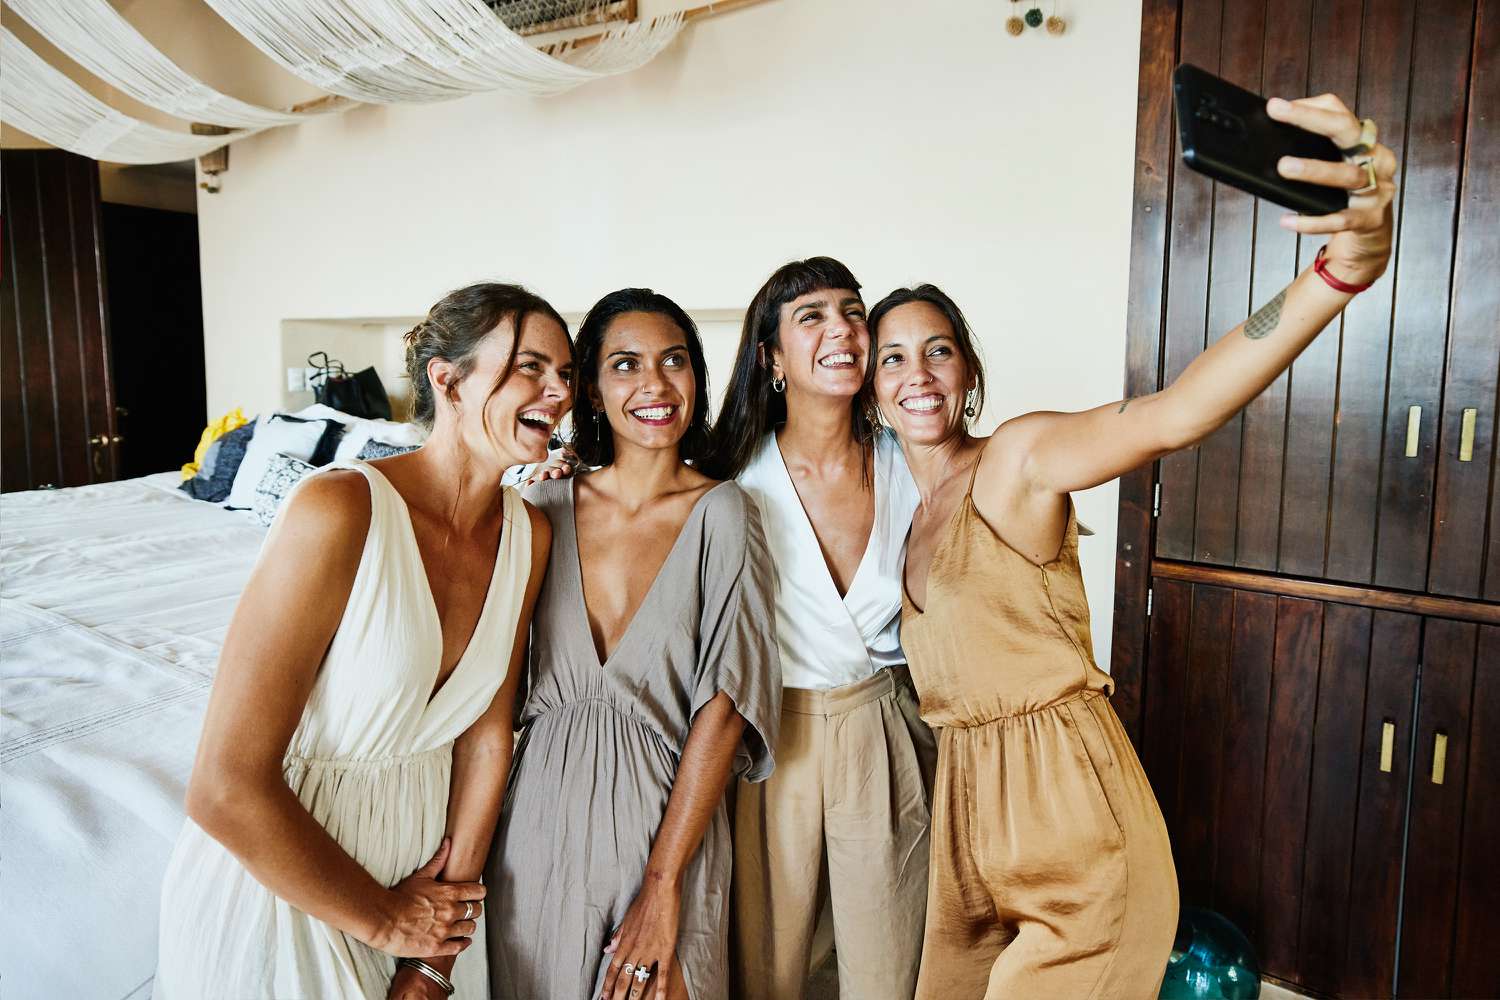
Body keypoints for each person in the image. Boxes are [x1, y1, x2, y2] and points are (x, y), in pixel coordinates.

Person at [867, 95, 1398, 998]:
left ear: (968, 373)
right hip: (971, 838)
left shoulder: (1020, 459)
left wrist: (1339, 272)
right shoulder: (904, 516)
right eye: (892, 357)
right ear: (873, 389)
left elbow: (1176, 412)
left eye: (939, 350)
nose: (917, 373)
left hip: (1078, 832)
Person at [154, 283, 569, 1000]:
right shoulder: (338, 508)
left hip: (429, 903)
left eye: (566, 374)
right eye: (531, 367)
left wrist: (434, 953)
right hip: (287, 891)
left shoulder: (529, 535)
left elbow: (486, 740)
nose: (559, 391)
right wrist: (385, 921)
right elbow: (223, 787)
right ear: (448, 379)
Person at [485, 288, 780, 1000]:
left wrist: (663, 883)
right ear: (589, 388)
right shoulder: (539, 509)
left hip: (664, 827)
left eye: (674, 360)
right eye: (625, 364)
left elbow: (725, 705)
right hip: (536, 829)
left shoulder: (724, 512)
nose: (655, 383)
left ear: (697, 378)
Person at [714, 257, 936, 1000]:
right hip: (773, 741)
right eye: (811, 316)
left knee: (888, 958)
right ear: (771, 356)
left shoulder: (911, 459)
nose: (842, 329)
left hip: (884, 725)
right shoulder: (729, 477)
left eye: (852, 311)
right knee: (772, 963)